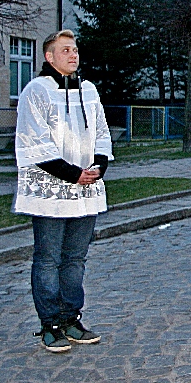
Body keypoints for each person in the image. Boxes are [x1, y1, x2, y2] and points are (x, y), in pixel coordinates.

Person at [14, 30, 112, 352]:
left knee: (75, 259)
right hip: (53, 190)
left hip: (85, 189)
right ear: (49, 57)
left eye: (75, 49)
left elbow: (101, 134)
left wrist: (97, 168)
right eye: (65, 50)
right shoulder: (36, 92)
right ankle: (50, 324)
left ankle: (71, 318)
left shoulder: (89, 91)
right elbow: (35, 143)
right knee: (48, 259)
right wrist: (72, 174)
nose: (73, 55)